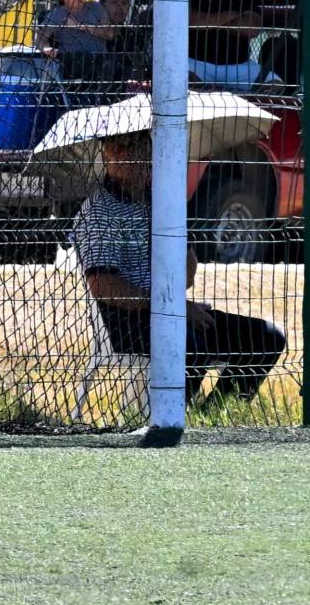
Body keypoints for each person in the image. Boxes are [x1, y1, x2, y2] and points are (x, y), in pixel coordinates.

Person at [70, 130, 286, 408]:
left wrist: (178, 232)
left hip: (170, 310)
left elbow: (185, 279)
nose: (120, 155)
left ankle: (214, 411)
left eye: (130, 147)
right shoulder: (100, 212)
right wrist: (170, 306)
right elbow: (102, 284)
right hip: (126, 320)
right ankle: (171, 415)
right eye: (112, 149)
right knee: (187, 340)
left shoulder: (161, 202)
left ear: (149, 153)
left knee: (266, 336)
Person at [190, 0, 266, 90]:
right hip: (197, 63)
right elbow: (190, 21)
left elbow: (252, 29)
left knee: (274, 85)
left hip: (239, 66)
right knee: (183, 79)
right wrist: (231, 15)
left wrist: (208, 21)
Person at [37, 0, 115, 84]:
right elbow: (40, 38)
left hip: (99, 64)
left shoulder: (97, 8)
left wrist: (80, 26)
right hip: (71, 66)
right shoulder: (58, 14)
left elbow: (109, 34)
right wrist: (46, 48)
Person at [101, 0, 149, 85]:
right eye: (114, 2)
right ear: (103, 6)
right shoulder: (96, 33)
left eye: (124, 3)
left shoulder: (132, 35)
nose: (120, 7)